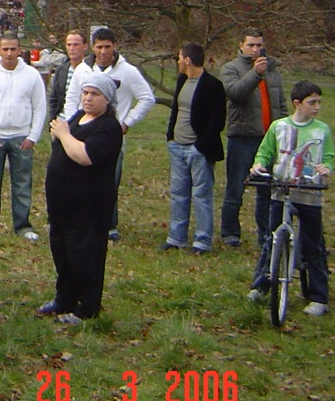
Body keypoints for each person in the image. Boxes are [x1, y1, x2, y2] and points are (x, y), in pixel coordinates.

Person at [39, 73, 124, 325]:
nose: (88, 98)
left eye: (95, 94)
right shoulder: (78, 117)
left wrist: (64, 134)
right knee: (63, 250)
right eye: (85, 92)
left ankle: (87, 307)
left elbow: (85, 155)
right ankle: (64, 298)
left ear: (107, 99)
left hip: (88, 205)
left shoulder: (108, 127)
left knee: (85, 253)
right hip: (62, 202)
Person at [62, 27, 155, 241]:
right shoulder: (82, 70)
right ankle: (81, 219)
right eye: (99, 47)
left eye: (107, 47)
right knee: (79, 180)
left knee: (108, 181)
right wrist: (71, 126)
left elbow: (147, 98)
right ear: (92, 48)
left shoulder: (127, 71)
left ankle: (108, 225)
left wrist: (127, 122)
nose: (103, 51)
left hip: (110, 136)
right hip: (82, 134)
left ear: (115, 46)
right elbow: (71, 99)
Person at [247, 81, 332, 315]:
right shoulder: (279, 127)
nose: (317, 107)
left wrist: (326, 168)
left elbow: (328, 156)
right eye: (312, 102)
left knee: (313, 245)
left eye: (318, 102)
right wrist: (258, 165)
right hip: (281, 190)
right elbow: (265, 152)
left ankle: (318, 296)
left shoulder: (322, 130)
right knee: (272, 239)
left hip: (309, 193)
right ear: (297, 104)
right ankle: (261, 285)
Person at [0, 32, 46, 240]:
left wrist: (32, 136)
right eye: (5, 49)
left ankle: (22, 225)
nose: (9, 54)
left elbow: (39, 107)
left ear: (19, 50)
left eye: (13, 49)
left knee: (22, 182)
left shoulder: (31, 75)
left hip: (21, 137)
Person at [220, 28, 286, 249]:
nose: (256, 50)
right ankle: (230, 233)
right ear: (241, 46)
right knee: (235, 188)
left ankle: (266, 235)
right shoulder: (231, 68)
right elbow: (235, 93)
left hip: (269, 138)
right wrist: (255, 74)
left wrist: (284, 131)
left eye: (259, 45)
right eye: (251, 45)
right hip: (242, 136)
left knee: (267, 191)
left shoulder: (273, 70)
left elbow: (280, 103)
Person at [163, 42, 226, 254]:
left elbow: (218, 121)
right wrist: (170, 137)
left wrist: (200, 146)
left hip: (198, 150)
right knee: (178, 193)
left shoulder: (212, 85)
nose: (178, 62)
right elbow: (176, 111)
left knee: (201, 195)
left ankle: (202, 241)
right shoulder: (182, 80)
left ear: (187, 60)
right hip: (177, 148)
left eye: (180, 58)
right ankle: (176, 237)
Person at [47, 30, 88, 123]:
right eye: (68, 45)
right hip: (62, 121)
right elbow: (54, 98)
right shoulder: (61, 70)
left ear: (85, 46)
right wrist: (52, 121)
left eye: (75, 45)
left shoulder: (91, 70)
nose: (71, 48)